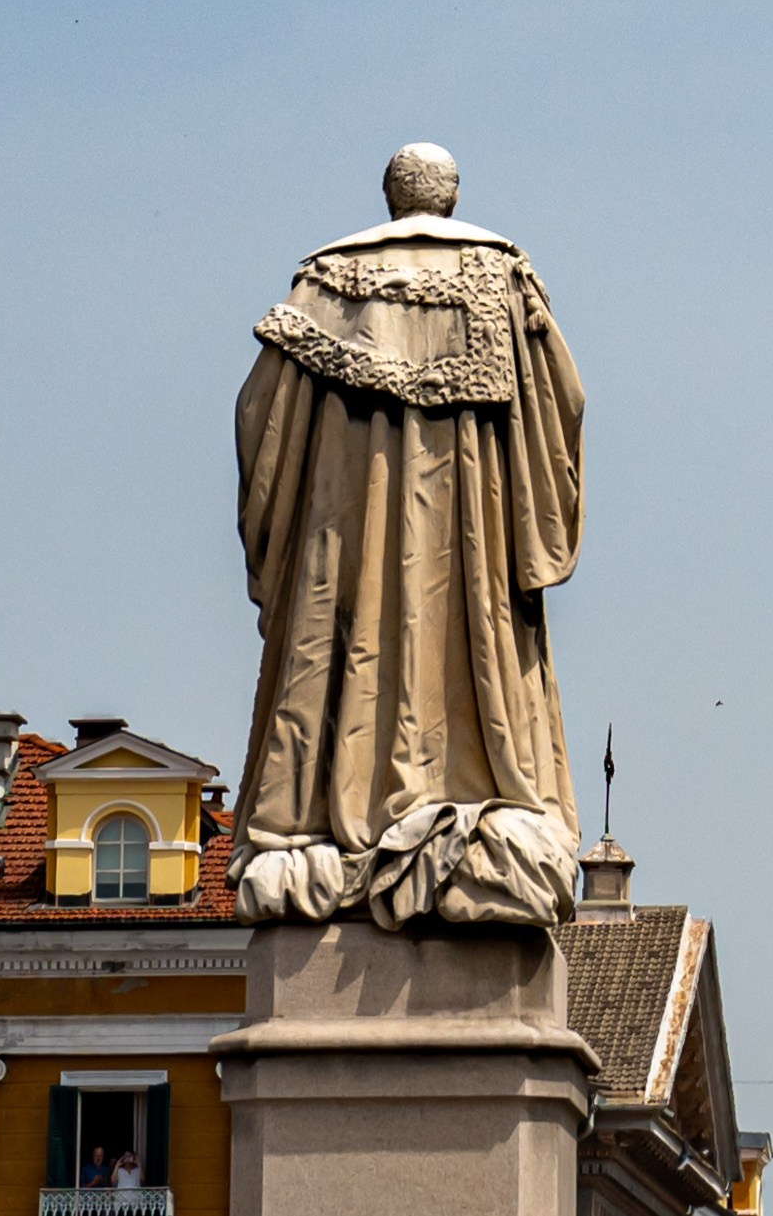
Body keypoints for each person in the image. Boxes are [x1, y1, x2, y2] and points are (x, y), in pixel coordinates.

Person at [229, 144, 586, 931]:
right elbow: (562, 404)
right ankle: (476, 798)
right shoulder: (501, 276)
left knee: (337, 642)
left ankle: (325, 819)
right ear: (451, 196)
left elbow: (258, 417)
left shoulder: (323, 283)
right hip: (470, 534)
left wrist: (283, 531)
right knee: (470, 641)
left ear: (390, 196)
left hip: (342, 531)